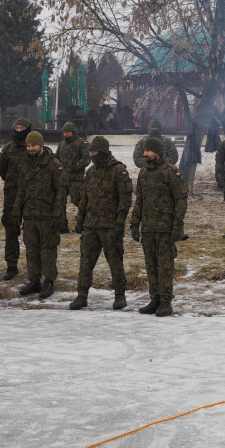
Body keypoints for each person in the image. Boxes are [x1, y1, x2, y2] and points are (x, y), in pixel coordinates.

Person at [70, 136, 133, 310]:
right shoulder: (90, 172)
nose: (91, 154)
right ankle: (82, 295)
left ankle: (120, 295)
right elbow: (85, 199)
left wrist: (120, 223)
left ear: (103, 151)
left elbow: (125, 200)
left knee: (115, 261)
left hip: (110, 226)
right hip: (91, 226)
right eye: (90, 151)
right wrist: (80, 219)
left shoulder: (118, 170)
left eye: (94, 151)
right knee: (85, 262)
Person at [130, 136, 188, 316]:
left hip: (165, 228)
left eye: (148, 151)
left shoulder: (171, 172)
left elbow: (181, 200)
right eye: (144, 151)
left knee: (164, 265)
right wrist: (134, 223)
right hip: (148, 228)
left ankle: (165, 301)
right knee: (151, 265)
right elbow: (139, 200)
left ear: (157, 152)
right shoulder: (144, 173)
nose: (144, 154)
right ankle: (154, 298)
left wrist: (178, 226)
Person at [13, 131, 67, 299]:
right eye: (28, 146)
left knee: (48, 250)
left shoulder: (53, 164)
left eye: (33, 146)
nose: (30, 149)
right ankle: (34, 280)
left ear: (41, 145)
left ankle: (49, 280)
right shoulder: (25, 164)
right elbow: (21, 189)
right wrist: (16, 212)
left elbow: (61, 191)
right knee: (31, 249)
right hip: (30, 215)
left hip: (47, 216)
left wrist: (57, 215)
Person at [0, 117, 32, 280]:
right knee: (11, 231)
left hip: (32, 196)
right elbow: (1, 169)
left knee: (32, 233)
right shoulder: (7, 149)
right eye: (17, 127)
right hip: (11, 196)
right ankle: (11, 266)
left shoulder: (34, 147)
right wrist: (13, 182)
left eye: (22, 128)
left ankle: (34, 266)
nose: (19, 131)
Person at [55, 121, 90, 233]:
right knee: (59, 202)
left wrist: (73, 168)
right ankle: (62, 227)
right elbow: (56, 159)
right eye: (64, 132)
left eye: (67, 132)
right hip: (62, 179)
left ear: (73, 132)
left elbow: (86, 159)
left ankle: (86, 222)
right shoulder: (61, 144)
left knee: (79, 201)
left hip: (76, 179)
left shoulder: (82, 143)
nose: (65, 134)